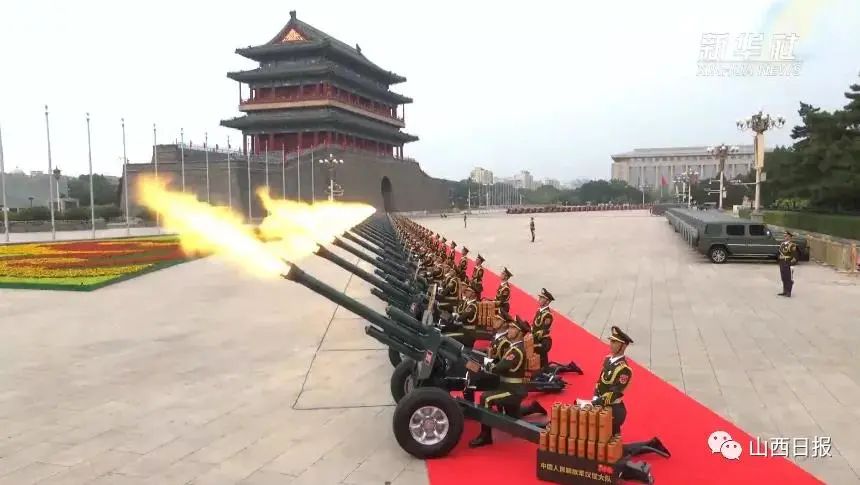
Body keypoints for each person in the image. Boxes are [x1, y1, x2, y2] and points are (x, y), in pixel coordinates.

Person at [468, 317, 531, 448]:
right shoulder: (514, 347)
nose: (509, 330)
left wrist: (484, 364)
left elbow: (498, 368)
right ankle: (533, 407)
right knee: (513, 418)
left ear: (520, 333)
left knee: (486, 398)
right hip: (508, 386)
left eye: (513, 328)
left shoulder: (516, 351)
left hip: (512, 390)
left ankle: (485, 436)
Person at [532, 288, 554, 369]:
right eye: (540, 297)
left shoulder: (547, 315)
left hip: (542, 340)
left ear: (547, 301)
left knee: (542, 363)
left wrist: (532, 336)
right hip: (536, 338)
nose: (540, 299)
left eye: (542, 298)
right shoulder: (539, 311)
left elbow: (543, 331)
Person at [778, 231, 798, 297]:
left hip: (788, 262)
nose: (784, 236)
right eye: (784, 235)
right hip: (782, 262)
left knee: (788, 277)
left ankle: (789, 292)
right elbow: (780, 253)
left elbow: (794, 256)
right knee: (783, 277)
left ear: (789, 237)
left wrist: (792, 264)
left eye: (786, 235)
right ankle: (784, 291)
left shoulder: (792, 245)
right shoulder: (782, 244)